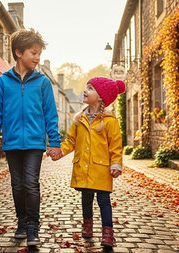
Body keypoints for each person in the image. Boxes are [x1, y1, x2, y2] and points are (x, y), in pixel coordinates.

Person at [0, 29, 61, 246]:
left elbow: (50, 114)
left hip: (35, 143)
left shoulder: (43, 83)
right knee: (17, 185)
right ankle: (21, 220)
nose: (37, 58)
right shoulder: (3, 82)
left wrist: (54, 142)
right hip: (11, 142)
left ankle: (32, 227)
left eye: (39, 53)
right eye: (33, 53)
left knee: (31, 183)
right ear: (19, 53)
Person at [49, 77, 125, 247]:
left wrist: (116, 164)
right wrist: (60, 151)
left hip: (102, 169)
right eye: (86, 87)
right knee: (86, 198)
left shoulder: (110, 121)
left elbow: (115, 145)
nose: (85, 91)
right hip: (84, 167)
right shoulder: (79, 119)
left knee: (104, 200)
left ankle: (107, 233)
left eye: (90, 88)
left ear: (100, 97)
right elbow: (70, 140)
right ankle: (87, 226)